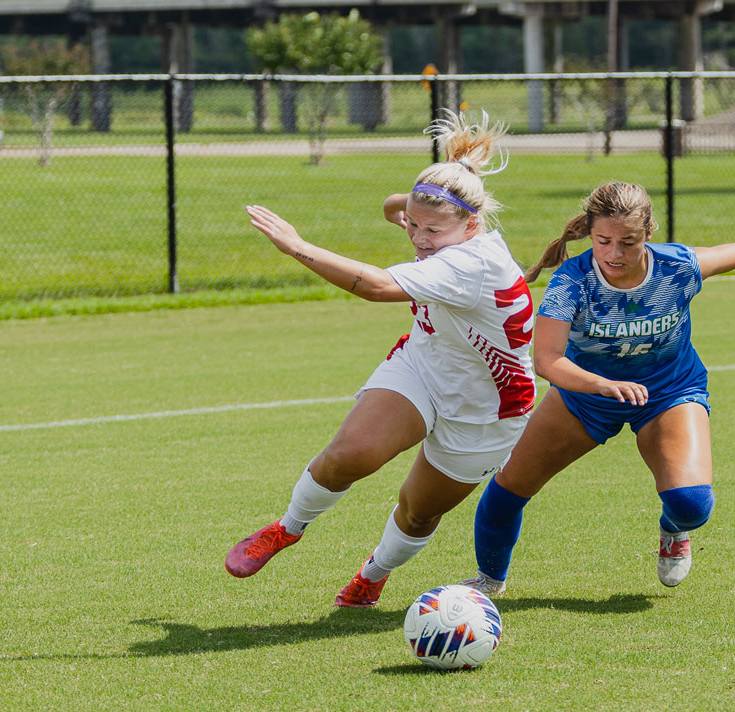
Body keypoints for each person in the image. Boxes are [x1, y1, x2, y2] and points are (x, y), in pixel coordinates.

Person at [464, 181, 735, 595]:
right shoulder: (571, 283)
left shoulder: (678, 266)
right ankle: (488, 583)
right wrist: (603, 385)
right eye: (603, 241)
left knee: (692, 505)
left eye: (628, 242)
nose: (614, 254)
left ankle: (672, 529)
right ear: (589, 234)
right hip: (587, 398)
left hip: (670, 392)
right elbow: (548, 360)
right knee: (507, 492)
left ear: (649, 232)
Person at [226, 110, 536, 608]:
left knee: (417, 511)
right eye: (413, 225)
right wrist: (412, 207)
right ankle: (286, 529)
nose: (418, 238)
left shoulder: (470, 264)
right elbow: (398, 205)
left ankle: (373, 574)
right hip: (423, 363)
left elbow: (375, 286)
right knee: (351, 455)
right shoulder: (443, 228)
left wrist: (297, 247)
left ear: (472, 225)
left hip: (488, 409)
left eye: (431, 230)